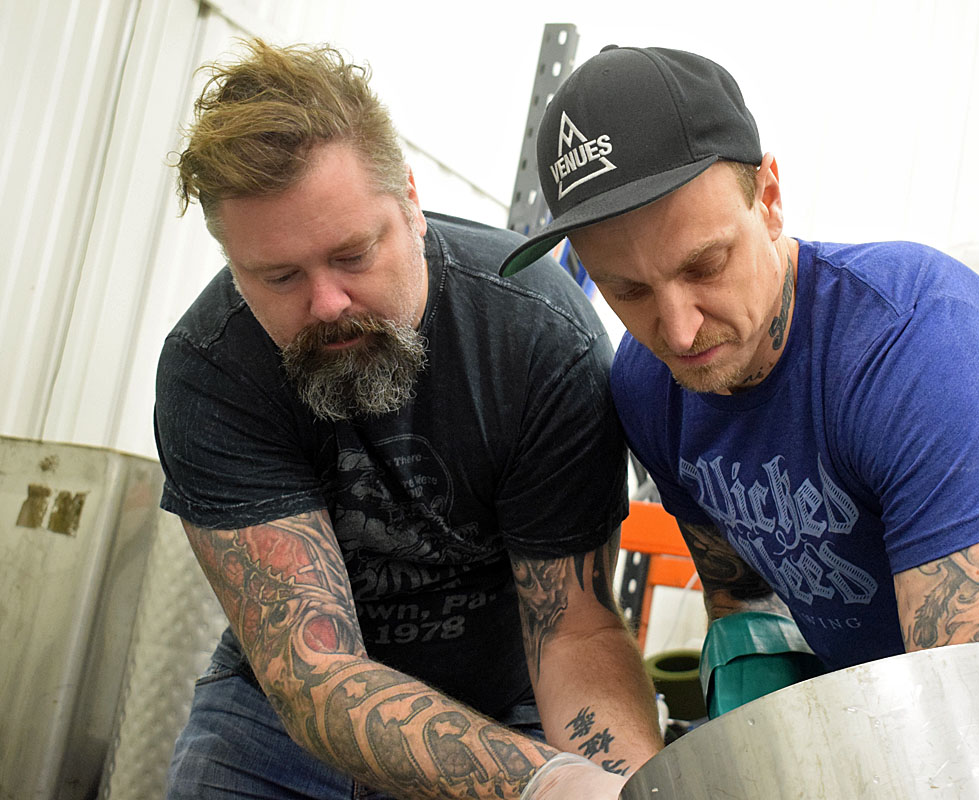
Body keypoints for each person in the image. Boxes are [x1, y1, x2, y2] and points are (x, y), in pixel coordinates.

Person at [499, 44, 979, 795]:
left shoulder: (914, 343)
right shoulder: (649, 387)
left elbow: (973, 705)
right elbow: (739, 589)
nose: (678, 330)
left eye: (705, 266)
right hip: (896, 733)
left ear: (769, 198)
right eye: (628, 291)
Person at [155, 39, 662, 800]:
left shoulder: (536, 337)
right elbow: (314, 673)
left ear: (412, 205)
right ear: (234, 265)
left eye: (353, 254)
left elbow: (574, 631)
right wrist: (541, 789)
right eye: (280, 276)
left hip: (513, 710)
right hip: (280, 722)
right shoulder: (213, 366)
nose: (327, 303)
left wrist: (610, 788)